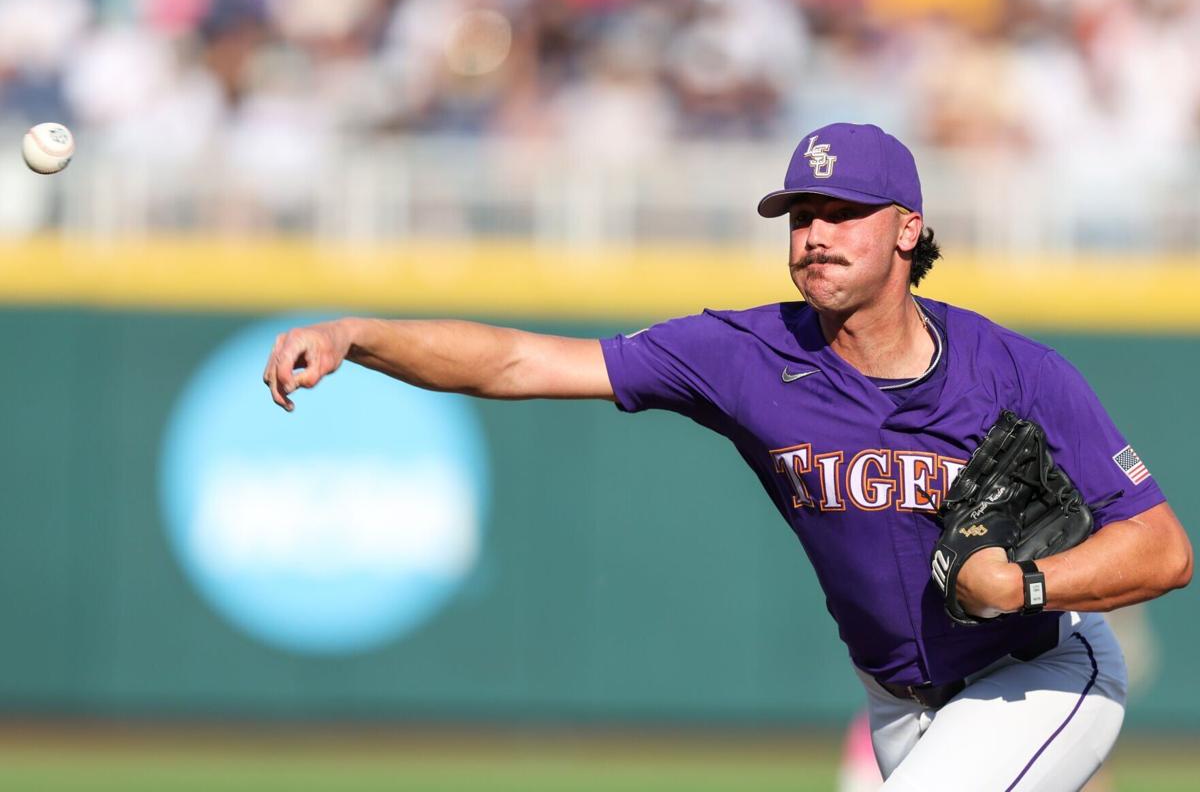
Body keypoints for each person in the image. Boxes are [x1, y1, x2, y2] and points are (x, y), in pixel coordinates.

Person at [261, 122, 1192, 790]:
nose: (815, 233)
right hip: (897, 703)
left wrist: (1026, 590)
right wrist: (361, 332)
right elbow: (517, 361)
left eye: (843, 211)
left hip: (1035, 670)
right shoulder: (744, 355)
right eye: (799, 215)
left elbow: (1163, 548)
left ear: (908, 228)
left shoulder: (1015, 372)